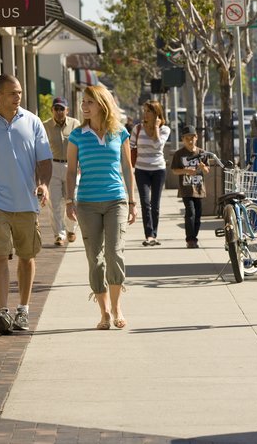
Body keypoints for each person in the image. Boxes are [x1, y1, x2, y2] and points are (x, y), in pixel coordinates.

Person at [0, 74, 53, 335]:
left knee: (27, 257)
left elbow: (45, 160)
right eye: (12, 93)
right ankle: (3, 311)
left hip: (26, 201)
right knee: (0, 255)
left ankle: (23, 310)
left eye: (20, 92)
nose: (18, 97)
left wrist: (44, 184)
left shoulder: (33, 122)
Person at [65, 84, 137, 331]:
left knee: (114, 253)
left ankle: (117, 308)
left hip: (116, 200)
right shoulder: (77, 135)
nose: (84, 106)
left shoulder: (120, 132)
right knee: (94, 258)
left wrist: (132, 201)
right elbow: (71, 171)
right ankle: (104, 312)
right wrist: (69, 201)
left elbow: (127, 168)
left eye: (89, 102)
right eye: (83, 102)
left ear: (102, 104)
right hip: (87, 203)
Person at [130, 100, 171, 247]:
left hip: (158, 170)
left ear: (157, 113)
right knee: (145, 203)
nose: (145, 114)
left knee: (155, 204)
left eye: (149, 111)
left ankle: (154, 234)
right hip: (141, 170)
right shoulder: (137, 128)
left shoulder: (165, 129)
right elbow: (130, 146)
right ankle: (149, 235)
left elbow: (157, 145)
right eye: (144, 111)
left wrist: (155, 127)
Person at [42, 96, 81, 246]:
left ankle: (71, 229)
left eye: (61, 109)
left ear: (67, 110)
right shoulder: (45, 126)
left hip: (71, 166)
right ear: (52, 110)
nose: (59, 112)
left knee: (73, 199)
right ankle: (59, 234)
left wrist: (81, 165)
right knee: (54, 202)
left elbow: (81, 145)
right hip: (53, 166)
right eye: (56, 109)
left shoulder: (75, 124)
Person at [170, 126, 210, 248]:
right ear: (182, 139)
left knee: (198, 215)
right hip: (186, 189)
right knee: (190, 212)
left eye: (192, 138)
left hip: (199, 188)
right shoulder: (179, 154)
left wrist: (203, 168)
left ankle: (194, 237)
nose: (190, 140)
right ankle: (190, 239)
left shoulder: (202, 153)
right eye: (187, 138)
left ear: (196, 138)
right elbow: (174, 170)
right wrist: (186, 171)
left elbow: (207, 170)